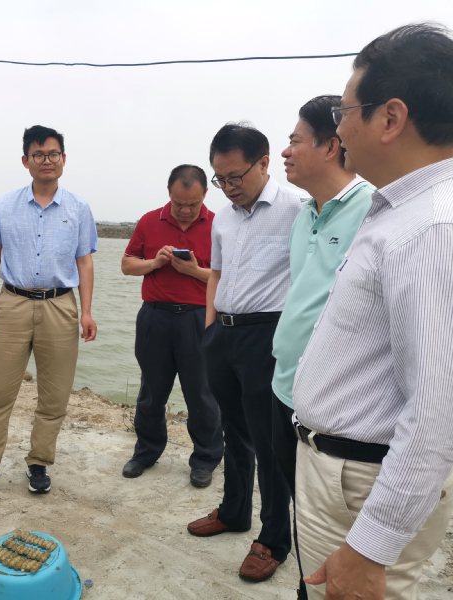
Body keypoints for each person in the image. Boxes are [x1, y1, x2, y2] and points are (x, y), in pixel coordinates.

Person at [293, 23, 453, 600]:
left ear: (391, 118)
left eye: (345, 111)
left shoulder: (431, 226)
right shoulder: (404, 210)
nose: (338, 128)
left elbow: (437, 407)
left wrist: (370, 548)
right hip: (348, 474)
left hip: (361, 482)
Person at [186, 123, 301, 582]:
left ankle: (274, 539)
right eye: (221, 179)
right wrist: (211, 326)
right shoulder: (224, 218)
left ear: (264, 162)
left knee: (271, 440)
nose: (229, 187)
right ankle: (235, 511)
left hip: (267, 335)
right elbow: (215, 273)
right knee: (233, 430)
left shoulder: (297, 209)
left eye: (235, 176)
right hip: (224, 333)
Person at [0, 125, 97, 496]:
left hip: (60, 305)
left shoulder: (78, 207)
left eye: (53, 154)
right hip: (13, 302)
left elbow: (84, 261)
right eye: (38, 155)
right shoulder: (6, 204)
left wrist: (86, 311)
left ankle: (39, 462)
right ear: (26, 161)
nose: (46, 160)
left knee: (55, 395)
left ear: (63, 159)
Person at [273, 96, 376, 600]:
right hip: (285, 387)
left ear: (331, 146)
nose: (285, 151)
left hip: (333, 406)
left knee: (338, 533)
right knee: (304, 514)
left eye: (295, 141)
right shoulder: (304, 215)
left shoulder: (372, 209)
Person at [119, 165, 223, 487]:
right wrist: (155, 263)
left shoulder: (220, 224)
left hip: (198, 316)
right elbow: (127, 265)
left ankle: (205, 458)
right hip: (155, 316)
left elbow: (229, 278)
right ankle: (145, 452)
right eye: (179, 203)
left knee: (201, 393)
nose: (186, 210)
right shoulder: (150, 221)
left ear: (205, 194)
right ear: (169, 193)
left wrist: (193, 271)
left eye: (193, 204)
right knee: (151, 391)